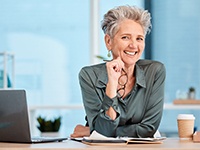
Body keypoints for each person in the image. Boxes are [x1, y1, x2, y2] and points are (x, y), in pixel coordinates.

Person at [71, 5, 166, 138]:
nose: (133, 45)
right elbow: (104, 131)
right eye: (125, 37)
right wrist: (112, 85)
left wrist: (91, 131)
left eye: (139, 38)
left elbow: (149, 129)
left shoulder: (155, 71)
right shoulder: (89, 76)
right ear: (109, 41)